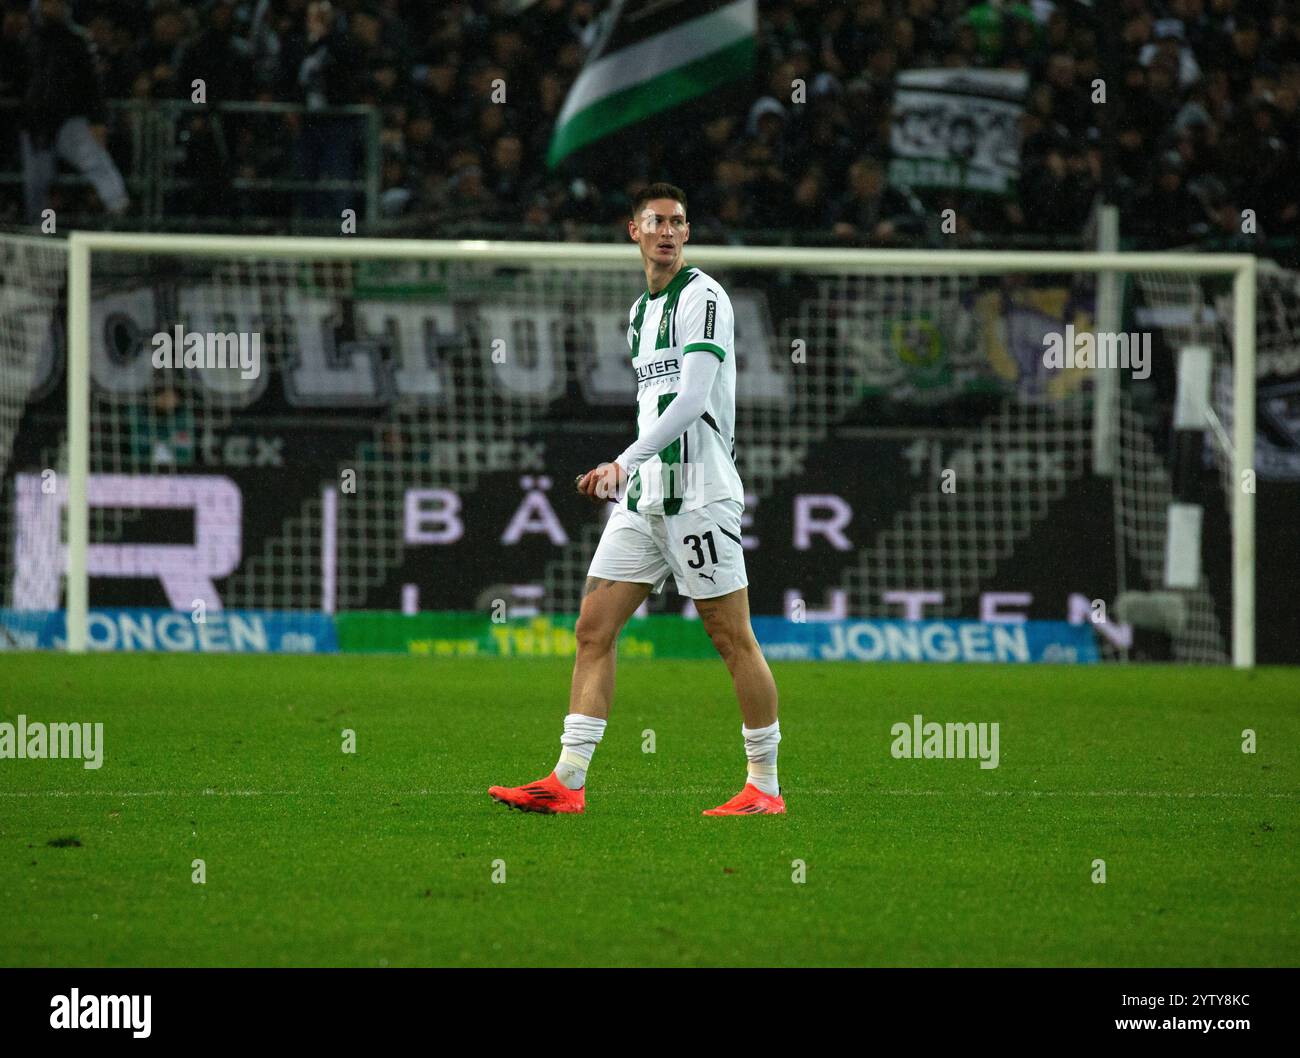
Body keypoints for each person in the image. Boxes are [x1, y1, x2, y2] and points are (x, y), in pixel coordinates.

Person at [488, 183, 785, 817]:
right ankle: (568, 780)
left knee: (732, 638)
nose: (669, 232)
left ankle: (764, 785)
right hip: (645, 499)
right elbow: (654, 403)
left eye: (679, 222)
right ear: (635, 232)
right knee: (593, 629)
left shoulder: (704, 297)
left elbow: (693, 399)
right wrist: (632, 474)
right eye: (657, 222)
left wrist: (621, 463)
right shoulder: (638, 313)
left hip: (699, 497)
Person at [20, 0, 128, 225]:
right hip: (37, 123)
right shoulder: (28, 40)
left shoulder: (76, 41)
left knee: (96, 162)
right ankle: (42, 230)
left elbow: (92, 85)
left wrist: (98, 120)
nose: (51, 8)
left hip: (70, 120)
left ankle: (119, 212)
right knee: (39, 182)